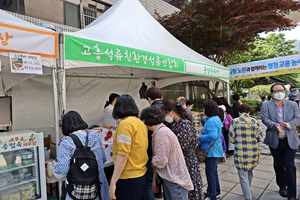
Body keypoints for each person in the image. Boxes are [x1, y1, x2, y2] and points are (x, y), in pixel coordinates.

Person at [54, 111, 110, 200]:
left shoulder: (66, 142)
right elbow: (104, 159)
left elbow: (61, 172)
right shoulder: (95, 136)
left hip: (76, 192)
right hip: (98, 189)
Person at [140, 107, 194, 200]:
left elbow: (161, 161)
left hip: (175, 179)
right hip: (170, 177)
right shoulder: (159, 131)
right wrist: (154, 180)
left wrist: (150, 160)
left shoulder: (162, 133)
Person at [261, 83, 300, 200]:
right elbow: (264, 119)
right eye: (276, 90)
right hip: (275, 140)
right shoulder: (266, 105)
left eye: (282, 90)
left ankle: (292, 193)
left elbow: (297, 118)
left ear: (285, 91)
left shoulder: (293, 104)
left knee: (289, 165)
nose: (279, 92)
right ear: (272, 93)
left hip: (290, 140)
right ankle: (282, 186)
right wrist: (274, 125)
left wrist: (290, 124)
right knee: (278, 165)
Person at [161, 100, 203, 200]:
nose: (164, 117)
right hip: (181, 160)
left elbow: (182, 146)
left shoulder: (185, 125)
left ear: (172, 112)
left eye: (165, 113)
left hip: (187, 161)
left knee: (189, 189)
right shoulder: (176, 124)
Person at [109, 94, 148, 200]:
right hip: (141, 174)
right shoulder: (140, 123)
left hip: (128, 177)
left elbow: (123, 155)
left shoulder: (125, 125)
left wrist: (113, 182)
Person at [229, 104, 263, 200]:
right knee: (250, 171)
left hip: (240, 152)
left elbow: (231, 138)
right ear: (249, 112)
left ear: (238, 112)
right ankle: (249, 188)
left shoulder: (235, 121)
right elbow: (260, 138)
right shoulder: (255, 121)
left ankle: (248, 197)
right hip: (253, 152)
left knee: (242, 175)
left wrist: (239, 141)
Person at [198, 100, 223, 200]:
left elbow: (212, 135)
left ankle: (212, 196)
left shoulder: (212, 120)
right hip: (214, 150)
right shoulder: (215, 118)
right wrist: (203, 119)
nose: (203, 110)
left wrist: (199, 137)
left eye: (204, 108)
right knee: (213, 173)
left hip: (212, 151)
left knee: (210, 174)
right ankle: (215, 192)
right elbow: (207, 128)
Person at [144, 86, 165, 199]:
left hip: (151, 148)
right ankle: (160, 192)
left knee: (150, 180)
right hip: (167, 149)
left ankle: (155, 193)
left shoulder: (148, 112)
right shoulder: (169, 109)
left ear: (149, 98)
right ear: (161, 97)